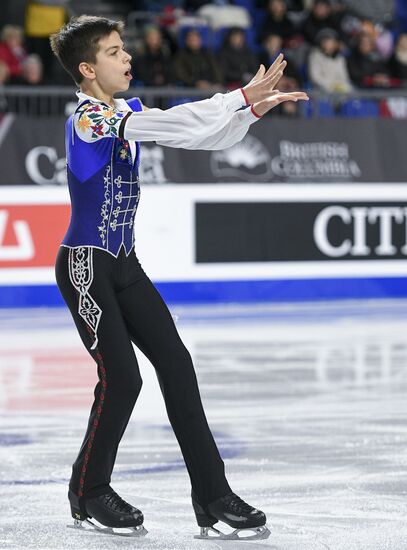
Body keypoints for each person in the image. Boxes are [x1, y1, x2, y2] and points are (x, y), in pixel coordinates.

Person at [50, 14, 308, 540]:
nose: (128, 58)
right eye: (116, 52)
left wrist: (248, 112)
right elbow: (174, 124)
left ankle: (213, 498)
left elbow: (197, 137)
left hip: (125, 264)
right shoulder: (88, 119)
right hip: (85, 268)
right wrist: (237, 97)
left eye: (125, 49)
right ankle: (88, 489)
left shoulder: (127, 112)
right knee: (123, 379)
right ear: (87, 68)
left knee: (177, 363)